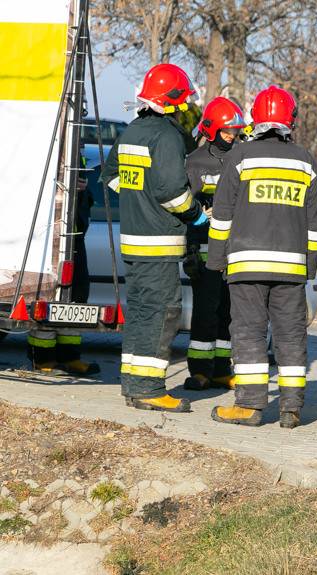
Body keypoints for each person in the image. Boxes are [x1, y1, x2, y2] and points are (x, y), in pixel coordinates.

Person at [207, 86, 317, 429]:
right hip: (291, 267)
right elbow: (316, 223)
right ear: (290, 120)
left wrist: (216, 261)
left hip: (246, 266)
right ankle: (291, 407)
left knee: (248, 332)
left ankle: (249, 406)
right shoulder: (305, 161)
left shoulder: (240, 157)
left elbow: (222, 216)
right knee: (291, 334)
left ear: (255, 119)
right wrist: (309, 267)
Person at [100, 63, 207, 413]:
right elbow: (172, 192)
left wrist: (138, 197)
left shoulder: (132, 131)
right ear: (173, 100)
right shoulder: (167, 137)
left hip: (133, 241)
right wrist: (197, 215)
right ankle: (148, 389)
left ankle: (133, 384)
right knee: (162, 313)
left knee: (141, 314)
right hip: (159, 242)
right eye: (185, 100)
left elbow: (110, 176)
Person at [182, 96, 245, 391]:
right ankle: (199, 371)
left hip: (234, 250)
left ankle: (221, 369)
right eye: (227, 130)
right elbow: (184, 202)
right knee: (205, 311)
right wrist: (192, 245)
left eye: (235, 130)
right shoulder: (194, 161)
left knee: (228, 312)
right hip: (205, 249)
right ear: (212, 128)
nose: (232, 136)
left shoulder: (242, 157)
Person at [27, 149, 100, 376]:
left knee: (76, 297)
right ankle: (43, 359)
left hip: (75, 238)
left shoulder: (74, 147)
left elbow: (86, 197)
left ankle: (70, 357)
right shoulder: (46, 146)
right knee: (48, 296)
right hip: (50, 238)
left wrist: (83, 188)